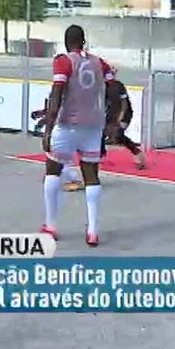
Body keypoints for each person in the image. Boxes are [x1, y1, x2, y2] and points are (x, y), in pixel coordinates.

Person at [40, 24, 121, 246]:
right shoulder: (100, 63)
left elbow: (57, 94)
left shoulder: (63, 61)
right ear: (83, 41)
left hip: (67, 124)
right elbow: (114, 90)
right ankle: (93, 230)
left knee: (53, 171)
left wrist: (48, 129)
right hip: (93, 126)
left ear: (67, 42)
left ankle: (51, 225)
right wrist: (112, 120)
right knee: (91, 176)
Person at [104, 67, 147, 170]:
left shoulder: (118, 86)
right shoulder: (103, 86)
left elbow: (124, 103)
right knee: (101, 134)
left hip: (124, 113)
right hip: (111, 113)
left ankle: (137, 152)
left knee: (118, 135)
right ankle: (101, 155)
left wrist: (121, 116)